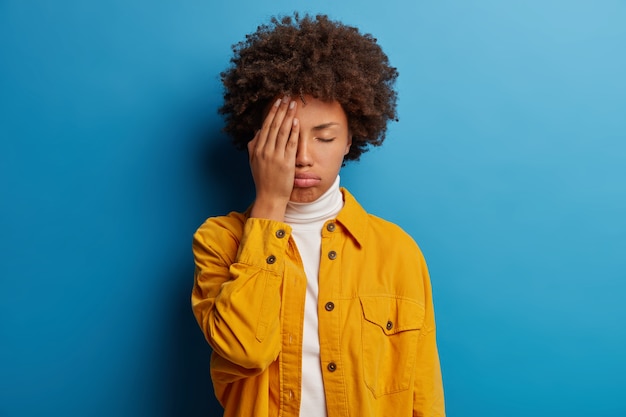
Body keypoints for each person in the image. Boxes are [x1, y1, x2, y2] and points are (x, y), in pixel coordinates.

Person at [191, 13, 445, 417]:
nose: (304, 158)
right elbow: (246, 348)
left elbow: (422, 392)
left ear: (350, 139)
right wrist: (270, 206)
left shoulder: (398, 251)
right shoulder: (219, 240)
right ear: (257, 143)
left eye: (324, 137)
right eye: (285, 138)